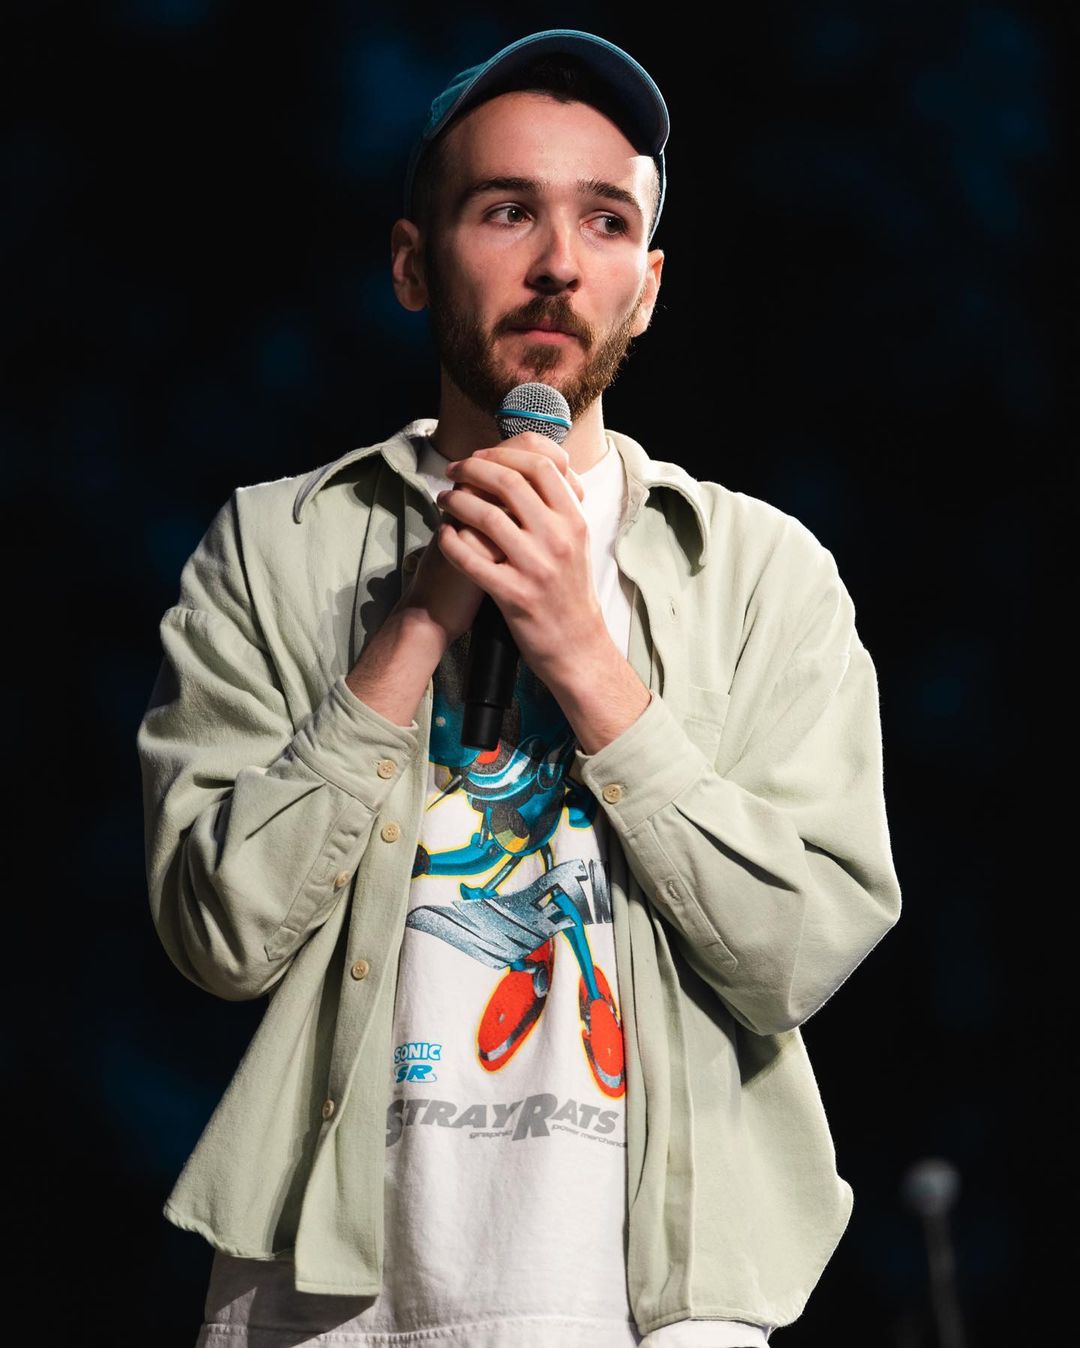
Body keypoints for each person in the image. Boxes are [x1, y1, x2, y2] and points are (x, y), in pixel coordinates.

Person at [136, 28, 902, 1348]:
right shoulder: (274, 544)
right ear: (411, 263)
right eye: (507, 211)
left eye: (606, 221)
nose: (558, 263)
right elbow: (220, 935)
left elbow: (797, 953)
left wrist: (581, 654)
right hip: (329, 1308)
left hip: (655, 1310)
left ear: (646, 287)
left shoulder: (763, 572)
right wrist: (419, 621)